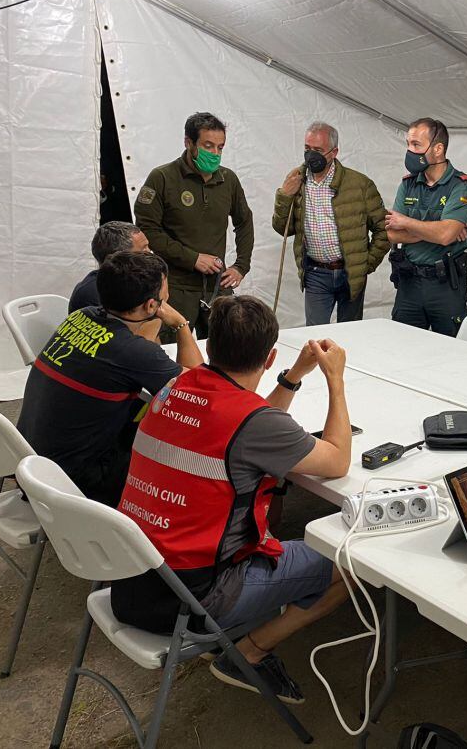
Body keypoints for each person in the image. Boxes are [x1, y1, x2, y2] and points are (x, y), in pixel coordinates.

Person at [111, 295, 353, 705]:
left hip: (131, 580)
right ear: (269, 354)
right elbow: (337, 460)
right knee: (351, 561)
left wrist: (293, 376)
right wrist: (335, 379)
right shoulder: (254, 422)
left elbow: (249, 421)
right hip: (192, 600)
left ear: (211, 345)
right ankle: (250, 652)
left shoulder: (174, 385)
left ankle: (249, 632)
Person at [17, 252, 202, 506]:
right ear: (152, 306)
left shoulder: (79, 316)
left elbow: (139, 351)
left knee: (143, 410)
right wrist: (180, 323)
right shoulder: (132, 352)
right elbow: (199, 387)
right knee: (176, 441)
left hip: (31, 464)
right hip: (72, 483)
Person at [134, 112, 254, 342]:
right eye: (208, 146)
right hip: (175, 287)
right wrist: (192, 258)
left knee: (229, 349)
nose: (215, 153)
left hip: (217, 286)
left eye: (220, 147)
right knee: (174, 352)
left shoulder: (228, 179)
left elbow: (244, 221)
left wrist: (241, 265)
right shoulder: (163, 177)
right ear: (189, 143)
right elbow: (148, 231)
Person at [272, 121, 390, 324]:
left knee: (350, 334)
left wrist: (365, 264)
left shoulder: (360, 184)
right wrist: (284, 196)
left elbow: (383, 228)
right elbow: (283, 229)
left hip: (350, 273)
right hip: (316, 273)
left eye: (318, 150)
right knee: (315, 335)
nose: (311, 155)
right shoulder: (296, 179)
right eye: (307, 148)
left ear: (334, 152)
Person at [385, 118, 467, 336]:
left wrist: (407, 222)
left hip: (445, 286)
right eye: (408, 144)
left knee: (448, 353)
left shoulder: (461, 185)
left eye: (416, 145)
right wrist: (438, 230)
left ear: (438, 149)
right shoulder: (408, 183)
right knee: (402, 348)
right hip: (409, 284)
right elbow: (391, 233)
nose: (409, 150)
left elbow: (445, 236)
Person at [69, 221, 151, 312]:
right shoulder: (95, 293)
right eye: (143, 249)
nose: (149, 253)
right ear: (120, 257)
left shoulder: (126, 282)